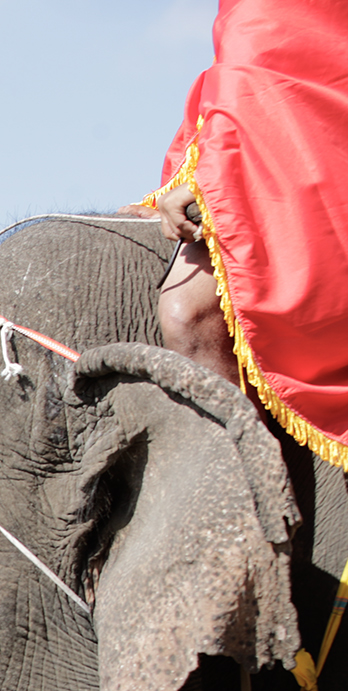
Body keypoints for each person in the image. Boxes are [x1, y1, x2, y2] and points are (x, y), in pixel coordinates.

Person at [137, 0, 348, 466]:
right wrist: (196, 167)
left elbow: (260, 78)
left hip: (315, 178)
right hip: (272, 157)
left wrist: (214, 180)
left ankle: (251, 524)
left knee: (189, 312)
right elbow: (240, 83)